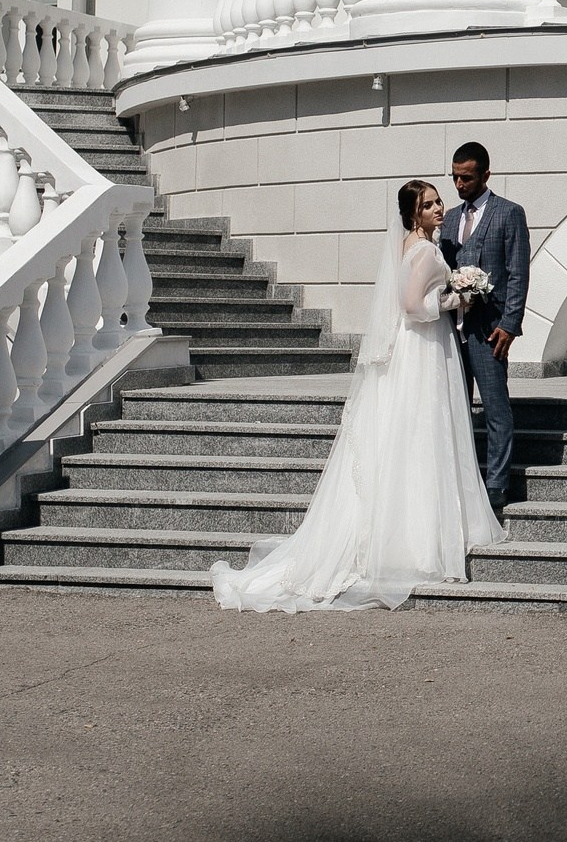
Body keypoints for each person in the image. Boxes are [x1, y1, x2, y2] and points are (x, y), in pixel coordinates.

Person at [210, 179, 504, 612]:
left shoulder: (411, 245)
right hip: (421, 345)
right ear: (413, 214)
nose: (439, 208)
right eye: (429, 205)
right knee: (423, 429)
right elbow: (410, 306)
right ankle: (416, 541)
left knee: (419, 432)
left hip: (419, 346)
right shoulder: (422, 250)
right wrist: (453, 300)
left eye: (439, 201)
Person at [442, 141, 529, 511]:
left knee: (496, 409)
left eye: (467, 178)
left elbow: (518, 273)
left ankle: (495, 488)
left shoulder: (509, 213)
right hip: (449, 331)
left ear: (486, 175)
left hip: (489, 330)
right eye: (455, 178)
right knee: (453, 407)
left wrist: (510, 324)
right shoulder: (447, 220)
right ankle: (459, 482)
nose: (460, 185)